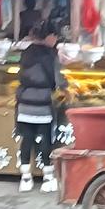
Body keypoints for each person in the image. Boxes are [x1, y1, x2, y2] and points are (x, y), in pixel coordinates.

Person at [15, 25, 66, 192]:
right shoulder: (50, 55)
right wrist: (66, 87)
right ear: (48, 37)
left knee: (27, 139)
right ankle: (48, 178)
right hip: (42, 102)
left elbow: (20, 74)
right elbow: (58, 80)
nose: (56, 40)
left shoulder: (26, 52)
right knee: (45, 139)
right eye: (55, 36)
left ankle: (25, 179)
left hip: (24, 102)